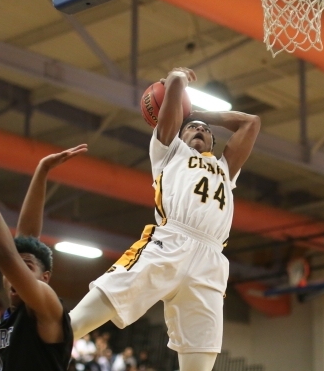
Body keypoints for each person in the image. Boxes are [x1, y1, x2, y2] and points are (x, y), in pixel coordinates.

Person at [66, 67, 261, 371]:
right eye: (191, 127)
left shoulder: (225, 168)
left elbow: (252, 123)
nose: (200, 131)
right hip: (170, 242)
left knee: (199, 365)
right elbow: (171, 103)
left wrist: (199, 114)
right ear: (177, 134)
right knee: (79, 322)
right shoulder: (169, 153)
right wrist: (176, 79)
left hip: (211, 262)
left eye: (205, 130)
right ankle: (38, 351)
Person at [0, 135, 87, 371]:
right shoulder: (17, 314)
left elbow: (5, 254)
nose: (14, 274)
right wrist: (42, 171)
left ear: (45, 279)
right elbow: (25, 240)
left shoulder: (47, 306)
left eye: (27, 268)